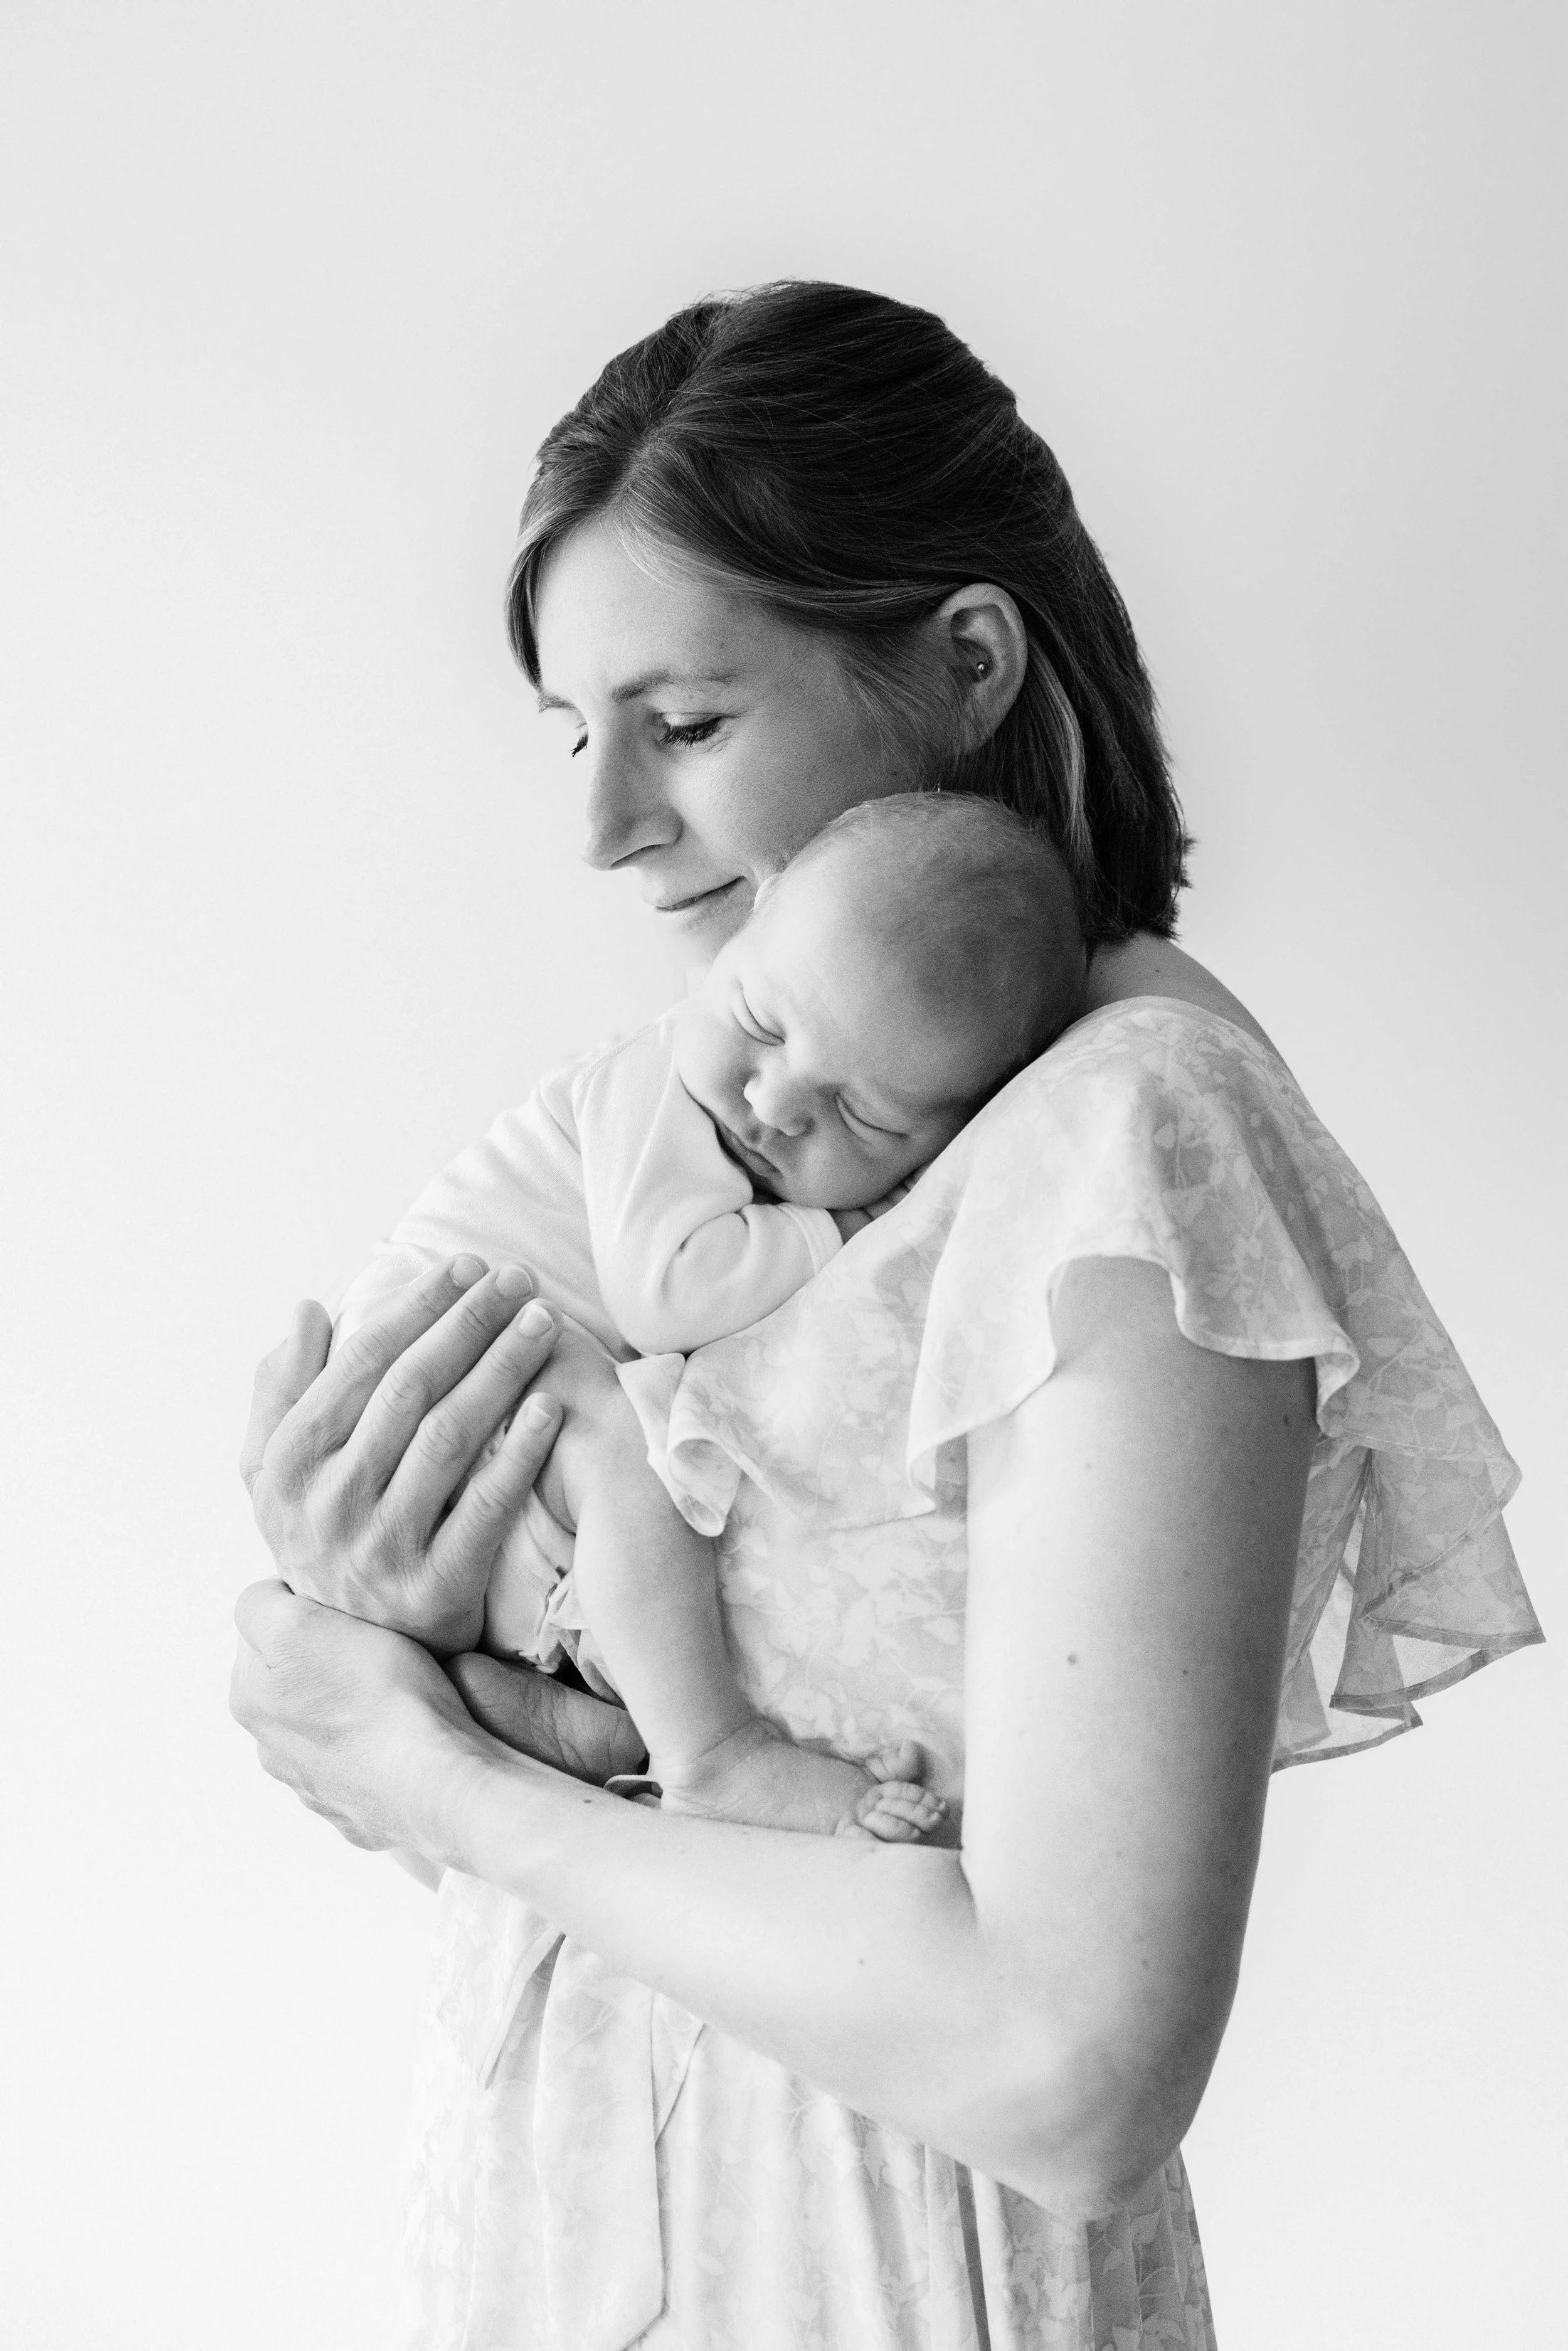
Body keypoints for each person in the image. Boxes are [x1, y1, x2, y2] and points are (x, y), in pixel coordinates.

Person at [231, 282, 1540, 2351]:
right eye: (581, 733)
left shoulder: (1132, 1147)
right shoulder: (822, 1140)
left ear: (965, 662)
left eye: (686, 721)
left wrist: (445, 1777)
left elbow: (1071, 2063)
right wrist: (399, 1611)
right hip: (606, 2222)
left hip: (876, 2270)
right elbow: (733, 1852)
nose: (601, 825)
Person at [350, 792, 1083, 1844]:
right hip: (449, 1367)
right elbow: (669, 1290)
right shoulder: (653, 1085)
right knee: (611, 1420)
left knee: (648, 1438)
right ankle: (715, 1755)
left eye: (863, 1115)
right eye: (761, 1023)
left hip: (490, 1482)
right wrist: (856, 1224)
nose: (776, 1102)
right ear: (747, 927)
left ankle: (553, 1721)